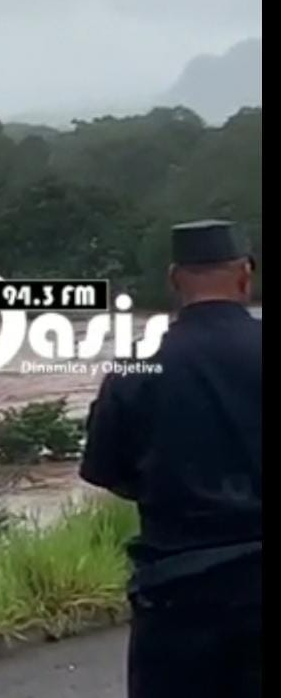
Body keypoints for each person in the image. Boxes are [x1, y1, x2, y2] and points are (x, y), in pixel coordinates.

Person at [81, 219, 261, 698]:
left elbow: (105, 470)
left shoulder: (138, 367)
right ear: (246, 274)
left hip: (179, 599)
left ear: (174, 280)